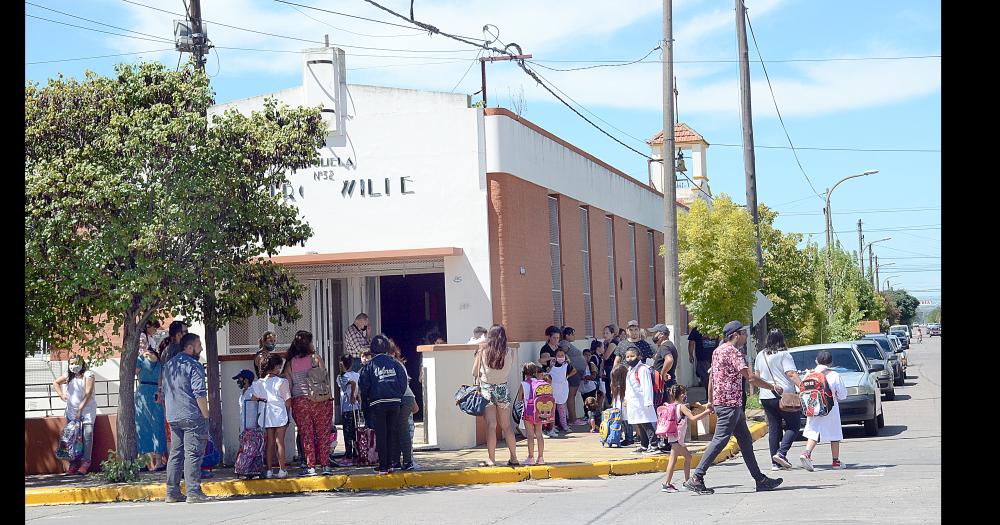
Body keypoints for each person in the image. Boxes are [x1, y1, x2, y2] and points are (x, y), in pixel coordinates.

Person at [684, 321, 783, 495]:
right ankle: (697, 477)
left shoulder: (718, 351)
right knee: (720, 440)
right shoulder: (733, 352)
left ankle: (760, 479)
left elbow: (713, 378)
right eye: (744, 333)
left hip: (728, 404)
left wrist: (710, 400)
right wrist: (772, 387)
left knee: (745, 442)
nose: (745, 336)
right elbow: (750, 378)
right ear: (736, 334)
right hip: (730, 405)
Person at [162, 333, 212, 503]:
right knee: (192, 453)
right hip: (191, 415)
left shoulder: (169, 365)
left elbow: (164, 391)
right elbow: (199, 393)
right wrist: (206, 416)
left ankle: (172, 492)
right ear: (189, 347)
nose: (201, 348)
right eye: (199, 345)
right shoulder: (194, 365)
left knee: (176, 454)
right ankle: (193, 491)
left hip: (173, 415)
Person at [283, 330, 333, 476]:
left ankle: (311, 466)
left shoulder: (290, 363)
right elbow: (324, 378)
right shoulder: (315, 358)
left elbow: (289, 385)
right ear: (308, 343)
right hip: (318, 401)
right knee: (323, 433)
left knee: (306, 435)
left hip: (299, 402)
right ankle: (325, 466)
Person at [754, 329, 803, 471]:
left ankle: (774, 462)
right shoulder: (784, 354)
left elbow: (757, 376)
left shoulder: (760, 355)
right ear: (782, 339)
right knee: (793, 425)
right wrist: (802, 386)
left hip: (766, 395)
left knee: (774, 428)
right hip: (784, 396)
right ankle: (781, 453)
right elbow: (791, 374)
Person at [359, 335, 408, 474]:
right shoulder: (394, 363)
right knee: (391, 432)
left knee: (381, 434)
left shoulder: (369, 365)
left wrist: (368, 399)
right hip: (394, 402)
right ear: (387, 348)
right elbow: (403, 381)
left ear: (372, 349)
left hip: (378, 403)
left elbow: (364, 385)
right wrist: (397, 394)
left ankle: (383, 466)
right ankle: (392, 464)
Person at [472, 325, 520, 466]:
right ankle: (514, 458)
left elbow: (474, 372)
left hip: (487, 389)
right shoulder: (509, 351)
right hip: (502, 388)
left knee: (491, 425)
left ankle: (492, 459)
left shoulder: (483, 350)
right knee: (506, 426)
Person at [799, 350, 849, 471]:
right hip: (830, 408)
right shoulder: (834, 375)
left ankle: (806, 453)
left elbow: (800, 389)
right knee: (834, 434)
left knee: (813, 431)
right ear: (831, 363)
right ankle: (836, 461)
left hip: (813, 407)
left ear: (816, 361)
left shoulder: (808, 374)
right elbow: (843, 395)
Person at [660, 384, 714, 493]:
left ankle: (684, 482)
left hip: (674, 437)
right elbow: (693, 418)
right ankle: (668, 484)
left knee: (684, 458)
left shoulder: (672, 406)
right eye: (683, 393)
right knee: (678, 459)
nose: (685, 395)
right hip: (677, 438)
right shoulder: (681, 407)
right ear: (680, 395)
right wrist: (707, 412)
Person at [53, 356, 97, 475]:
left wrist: (80, 409)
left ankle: (86, 462)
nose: (73, 366)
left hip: (87, 411)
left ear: (82, 363)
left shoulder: (88, 375)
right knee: (72, 438)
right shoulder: (68, 375)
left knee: (87, 434)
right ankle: (73, 463)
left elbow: (88, 394)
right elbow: (56, 382)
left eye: (76, 363)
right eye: (71, 363)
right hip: (71, 412)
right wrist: (62, 395)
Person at [252, 354, 291, 479]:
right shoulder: (282, 382)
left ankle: (269, 470)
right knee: (280, 442)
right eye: (279, 366)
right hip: (280, 413)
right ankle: (282, 470)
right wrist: (288, 413)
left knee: (269, 443)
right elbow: (288, 400)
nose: (279, 368)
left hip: (266, 414)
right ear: (275, 367)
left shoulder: (259, 383)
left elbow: (254, 398)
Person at [135, 320, 167, 471]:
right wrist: (160, 392)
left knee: (143, 427)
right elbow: (160, 380)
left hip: (142, 392)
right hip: (156, 393)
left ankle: (145, 463)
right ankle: (159, 462)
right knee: (158, 426)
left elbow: (135, 374)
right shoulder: (158, 361)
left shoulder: (140, 359)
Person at [390, 340, 419, 471]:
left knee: (402, 428)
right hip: (403, 397)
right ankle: (398, 461)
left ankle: (407, 461)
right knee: (398, 429)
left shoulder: (395, 364)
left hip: (403, 397)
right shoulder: (397, 364)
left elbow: (402, 386)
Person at [624, 348, 658, 454]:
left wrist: (648, 401)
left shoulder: (642, 369)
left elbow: (647, 386)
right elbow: (629, 387)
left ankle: (654, 445)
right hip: (634, 403)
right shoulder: (630, 370)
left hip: (642, 402)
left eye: (632, 356)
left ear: (638, 357)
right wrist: (626, 399)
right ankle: (644, 445)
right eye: (627, 357)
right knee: (639, 423)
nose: (630, 359)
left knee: (646, 423)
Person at [515, 362, 547, 465]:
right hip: (539, 412)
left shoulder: (523, 384)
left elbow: (519, 399)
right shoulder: (540, 383)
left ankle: (531, 457)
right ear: (535, 372)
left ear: (524, 372)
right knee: (539, 434)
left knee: (530, 435)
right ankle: (541, 458)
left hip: (528, 412)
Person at [559, 326, 588, 426]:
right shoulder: (564, 343)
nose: (574, 336)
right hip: (573, 373)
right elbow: (562, 351)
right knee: (571, 395)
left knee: (572, 395)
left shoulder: (567, 343)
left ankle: (572, 418)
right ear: (567, 335)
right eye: (572, 334)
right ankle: (573, 419)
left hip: (577, 372)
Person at [545, 347, 576, 436]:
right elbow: (540, 361)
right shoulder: (551, 363)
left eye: (562, 355)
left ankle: (565, 426)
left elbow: (574, 371)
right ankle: (552, 427)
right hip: (553, 388)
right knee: (552, 410)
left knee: (562, 409)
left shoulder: (567, 365)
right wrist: (551, 359)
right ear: (555, 356)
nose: (560, 357)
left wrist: (567, 376)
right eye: (558, 355)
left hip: (562, 388)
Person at [336, 355, 361, 466]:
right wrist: (357, 397)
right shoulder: (357, 375)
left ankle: (349, 455)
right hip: (356, 407)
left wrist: (351, 395)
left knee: (347, 432)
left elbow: (352, 384)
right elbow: (357, 386)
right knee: (355, 431)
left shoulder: (341, 376)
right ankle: (357, 453)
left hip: (347, 407)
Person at [650, 323, 678, 401]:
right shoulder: (668, 345)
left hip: (665, 384)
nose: (653, 335)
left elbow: (669, 360)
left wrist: (663, 373)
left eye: (654, 333)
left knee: (665, 410)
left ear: (661, 334)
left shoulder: (665, 346)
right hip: (667, 383)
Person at [608, 364, 634, 445]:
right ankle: (620, 436)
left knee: (626, 422)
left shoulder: (627, 383)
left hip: (624, 405)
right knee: (621, 422)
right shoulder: (615, 385)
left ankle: (629, 438)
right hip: (618, 405)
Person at [579, 344, 601, 419]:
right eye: (585, 355)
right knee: (585, 402)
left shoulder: (591, 364)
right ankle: (586, 415)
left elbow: (594, 376)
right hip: (583, 388)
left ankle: (594, 416)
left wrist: (586, 377)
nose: (587, 357)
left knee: (592, 402)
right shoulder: (580, 364)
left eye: (589, 355)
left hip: (591, 388)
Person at [600, 325, 619, 404]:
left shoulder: (613, 343)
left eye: (607, 333)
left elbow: (606, 356)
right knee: (608, 390)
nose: (605, 335)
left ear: (612, 334)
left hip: (612, 367)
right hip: (607, 368)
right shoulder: (606, 343)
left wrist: (602, 351)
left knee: (612, 389)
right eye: (604, 333)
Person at [587, 340, 606, 409]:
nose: (604, 348)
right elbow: (593, 369)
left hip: (598, 379)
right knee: (599, 396)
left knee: (601, 395)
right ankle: (597, 411)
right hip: (595, 380)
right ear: (598, 348)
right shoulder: (594, 357)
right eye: (603, 347)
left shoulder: (599, 356)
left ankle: (599, 411)